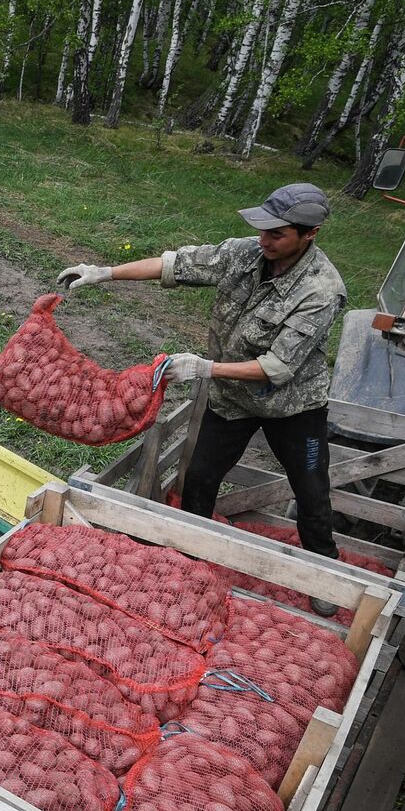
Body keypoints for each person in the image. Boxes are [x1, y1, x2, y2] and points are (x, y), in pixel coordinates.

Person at [57, 182, 348, 616]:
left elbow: (276, 368)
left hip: (292, 406)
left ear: (310, 234)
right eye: (262, 230)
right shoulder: (245, 252)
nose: (264, 240)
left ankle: (325, 574)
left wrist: (204, 368)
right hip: (232, 399)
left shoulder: (321, 289)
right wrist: (104, 272)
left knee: (310, 488)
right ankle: (188, 559)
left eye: (277, 234)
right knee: (200, 477)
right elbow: (176, 265)